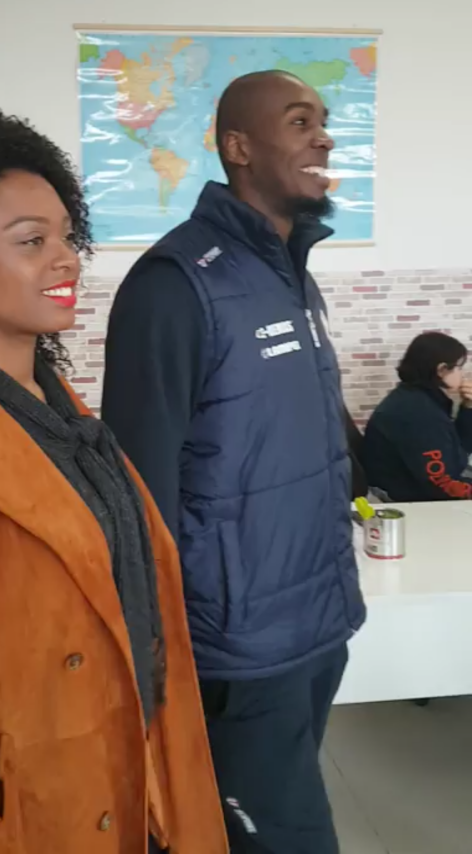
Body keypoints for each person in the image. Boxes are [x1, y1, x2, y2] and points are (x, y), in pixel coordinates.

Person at [0, 111, 227, 854]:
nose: (66, 260)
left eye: (66, 237)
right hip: (36, 819)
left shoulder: (61, 408)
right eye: (30, 242)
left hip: (134, 783)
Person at [102, 71, 366, 854]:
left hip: (316, 625)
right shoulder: (177, 283)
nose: (324, 137)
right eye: (300, 121)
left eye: (323, 120)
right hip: (238, 648)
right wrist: (152, 652)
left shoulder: (290, 277)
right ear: (239, 147)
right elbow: (138, 488)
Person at [362, 331, 472, 501]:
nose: (462, 374)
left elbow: (458, 448)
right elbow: (440, 485)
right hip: (409, 497)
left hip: (422, 485)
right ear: (441, 370)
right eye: (459, 367)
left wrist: (468, 407)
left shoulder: (419, 398)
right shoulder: (417, 414)